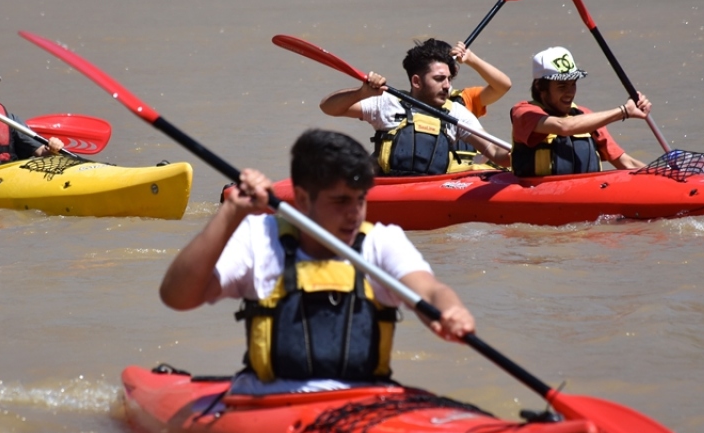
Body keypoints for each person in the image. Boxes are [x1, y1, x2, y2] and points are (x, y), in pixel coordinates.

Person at [159, 129, 479, 395]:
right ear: (302, 199)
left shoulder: (382, 241)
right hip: (269, 403)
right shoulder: (258, 237)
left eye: (361, 200)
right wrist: (230, 213)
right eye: (340, 201)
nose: (355, 214)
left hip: (363, 402)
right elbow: (177, 297)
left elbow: (431, 290)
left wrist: (452, 310)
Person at [318, 38, 512, 174]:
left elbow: (495, 153)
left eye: (449, 79)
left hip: (436, 189)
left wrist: (527, 152)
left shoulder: (456, 112)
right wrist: (361, 93)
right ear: (417, 82)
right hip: (390, 187)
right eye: (439, 79)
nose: (447, 85)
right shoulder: (386, 102)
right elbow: (328, 107)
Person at [509, 46, 653, 177]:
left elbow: (626, 163)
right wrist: (624, 111)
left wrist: (662, 175)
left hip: (583, 192)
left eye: (573, 84)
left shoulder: (585, 116)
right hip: (538, 192)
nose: (569, 93)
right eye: (562, 86)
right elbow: (563, 126)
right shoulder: (524, 112)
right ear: (540, 86)